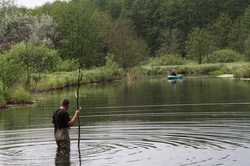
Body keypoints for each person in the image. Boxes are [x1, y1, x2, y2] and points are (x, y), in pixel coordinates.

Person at [52, 99, 80, 165]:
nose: (68, 107)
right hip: (63, 136)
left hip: (56, 135)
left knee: (59, 153)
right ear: (67, 105)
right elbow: (71, 124)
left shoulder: (55, 112)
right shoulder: (64, 112)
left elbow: (57, 123)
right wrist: (76, 114)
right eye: (68, 106)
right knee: (65, 154)